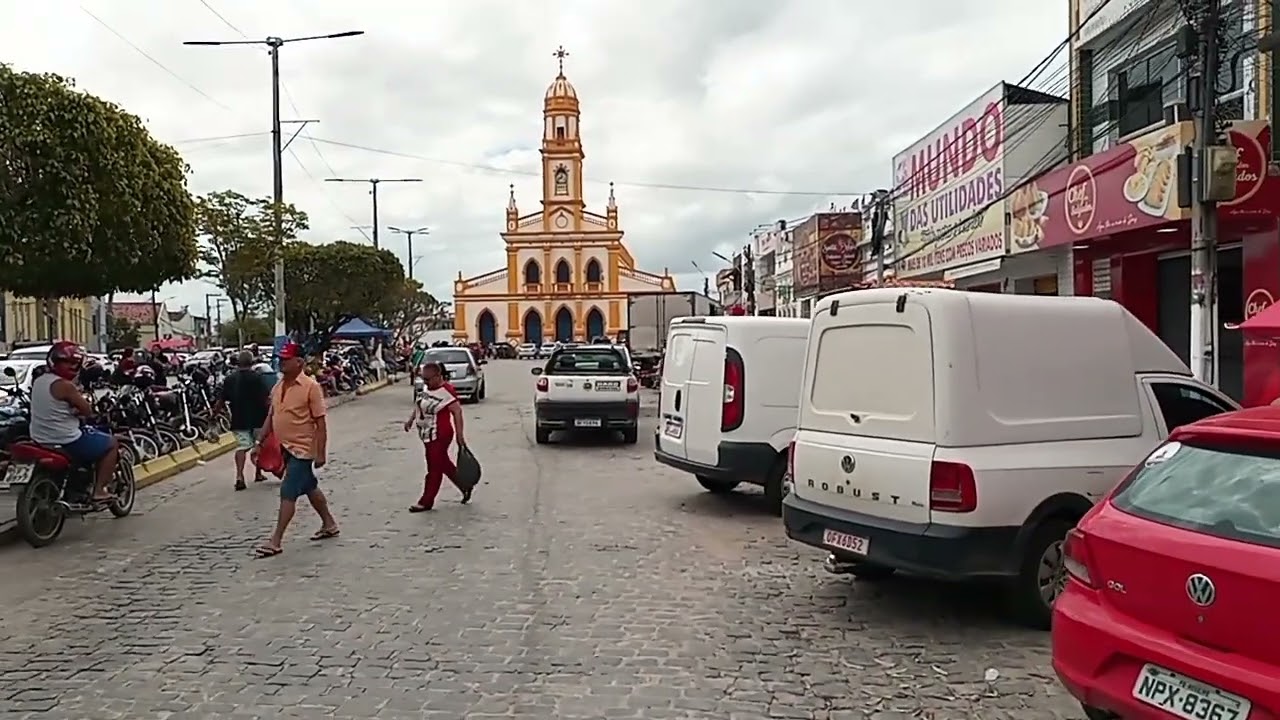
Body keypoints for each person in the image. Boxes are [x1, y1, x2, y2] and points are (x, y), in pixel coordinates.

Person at [254, 342, 340, 558]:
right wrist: (259, 441)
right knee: (310, 486)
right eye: (281, 359)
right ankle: (329, 523)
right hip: (285, 447)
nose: (282, 362)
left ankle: (276, 540)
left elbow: (320, 423)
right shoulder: (277, 387)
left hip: (303, 449)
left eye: (286, 359)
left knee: (288, 491)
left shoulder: (311, 387)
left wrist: (321, 452)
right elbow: (272, 416)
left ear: (299, 362)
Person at [28, 341, 119, 503]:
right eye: (67, 362)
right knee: (112, 443)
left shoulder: (39, 381)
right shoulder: (65, 386)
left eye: (73, 363)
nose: (70, 367)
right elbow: (87, 410)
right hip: (66, 438)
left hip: (39, 438)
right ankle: (99, 491)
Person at [402, 361, 470, 511]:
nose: (425, 382)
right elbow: (421, 403)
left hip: (440, 434)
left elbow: (457, 412)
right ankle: (465, 485)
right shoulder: (428, 387)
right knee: (443, 463)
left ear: (438, 376)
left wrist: (460, 436)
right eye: (423, 379)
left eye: (428, 379)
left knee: (434, 468)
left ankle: (426, 501)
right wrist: (411, 419)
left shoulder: (447, 391)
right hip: (426, 434)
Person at [216, 350, 271, 491]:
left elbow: (221, 400)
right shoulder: (258, 378)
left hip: (239, 419)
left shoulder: (229, 379)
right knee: (258, 446)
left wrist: (213, 414)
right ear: (252, 362)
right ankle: (258, 473)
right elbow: (267, 399)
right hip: (259, 418)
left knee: (241, 447)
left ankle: (239, 476)